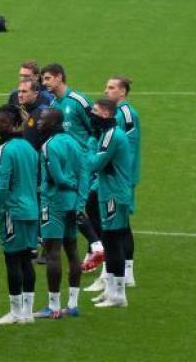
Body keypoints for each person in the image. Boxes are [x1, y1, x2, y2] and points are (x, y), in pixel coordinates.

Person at [40, 64, 102, 268]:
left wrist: (89, 154)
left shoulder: (78, 101)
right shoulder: (53, 104)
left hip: (80, 163)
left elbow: (96, 127)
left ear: (59, 77)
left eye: (48, 78)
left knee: (81, 205)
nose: (44, 83)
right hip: (63, 162)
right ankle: (95, 248)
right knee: (72, 207)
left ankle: (97, 247)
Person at [0, 105, 40, 325]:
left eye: (1, 123)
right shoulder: (29, 148)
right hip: (31, 211)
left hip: (14, 212)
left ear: (14, 124)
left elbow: (2, 186)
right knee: (27, 260)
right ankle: (27, 312)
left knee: (13, 260)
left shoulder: (5, 150)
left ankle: (15, 312)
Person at [85, 98, 134, 308]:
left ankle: (118, 295)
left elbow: (94, 163)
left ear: (105, 114)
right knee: (112, 240)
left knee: (113, 241)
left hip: (114, 195)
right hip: (111, 192)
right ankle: (112, 290)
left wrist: (89, 144)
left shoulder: (111, 135)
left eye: (95, 111)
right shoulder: (108, 134)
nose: (92, 115)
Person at [35, 108, 83, 318]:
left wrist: (68, 184)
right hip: (72, 203)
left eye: (43, 120)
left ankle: (53, 307)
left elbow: (57, 177)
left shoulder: (49, 145)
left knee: (52, 253)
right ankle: (72, 304)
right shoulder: (74, 142)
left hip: (53, 203)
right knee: (72, 251)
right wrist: (78, 197)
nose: (38, 123)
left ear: (53, 123)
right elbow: (84, 172)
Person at [100, 75, 139, 286]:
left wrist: (120, 173)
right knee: (120, 224)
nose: (107, 91)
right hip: (117, 177)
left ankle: (124, 273)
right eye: (107, 87)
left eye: (112, 88)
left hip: (121, 179)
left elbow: (129, 146)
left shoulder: (126, 113)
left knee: (119, 225)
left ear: (123, 92)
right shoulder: (118, 113)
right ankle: (122, 273)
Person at [15, 78, 49, 152]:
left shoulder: (41, 114)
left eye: (24, 92)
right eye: (19, 91)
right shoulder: (24, 109)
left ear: (35, 94)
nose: (20, 95)